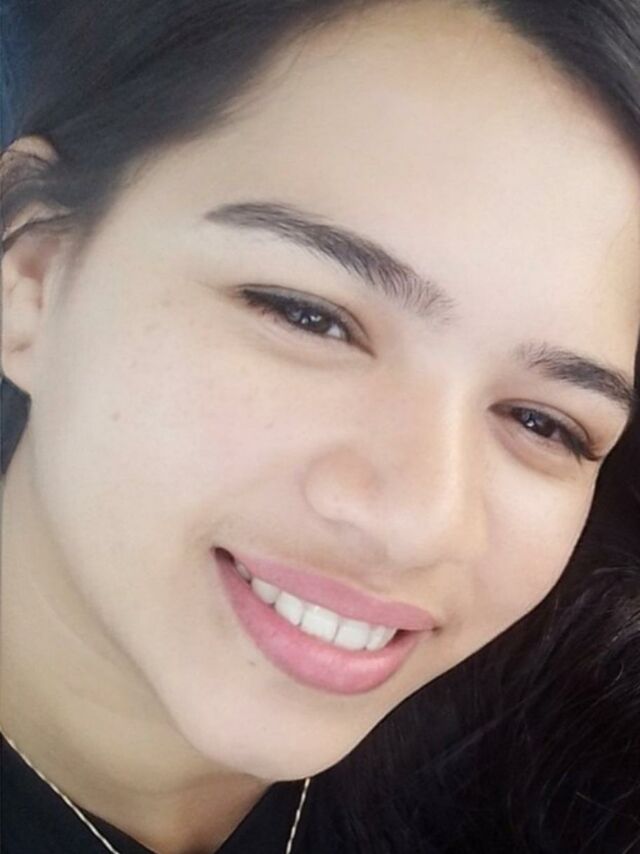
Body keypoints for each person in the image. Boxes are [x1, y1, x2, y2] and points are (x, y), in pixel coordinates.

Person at [1, 1, 639, 852]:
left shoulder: (567, 768)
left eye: (543, 422)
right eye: (309, 317)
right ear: (32, 275)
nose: (418, 525)